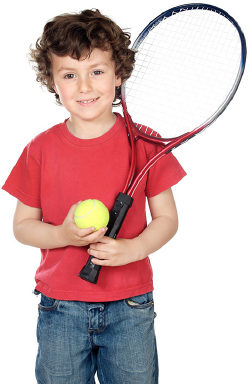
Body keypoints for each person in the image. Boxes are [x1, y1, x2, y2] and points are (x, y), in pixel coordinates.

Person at [2, 9, 186, 384]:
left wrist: (132, 250)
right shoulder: (40, 149)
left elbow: (167, 219)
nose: (84, 87)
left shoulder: (145, 143)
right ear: (53, 83)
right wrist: (63, 236)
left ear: (119, 75)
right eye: (70, 75)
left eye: (97, 71)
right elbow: (22, 227)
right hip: (60, 309)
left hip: (130, 307)